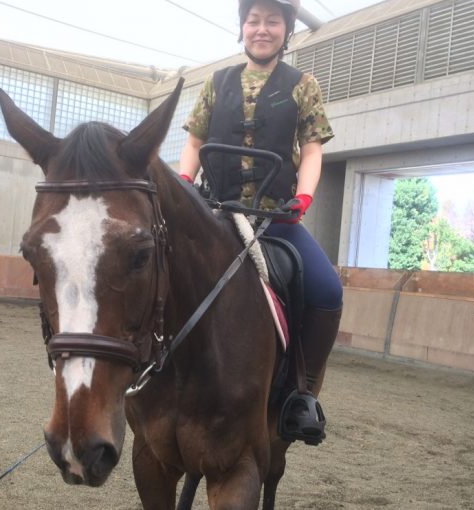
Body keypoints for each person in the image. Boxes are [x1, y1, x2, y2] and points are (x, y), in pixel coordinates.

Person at [178, 0, 343, 445]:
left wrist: (303, 197)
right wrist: (183, 182)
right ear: (242, 27)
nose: (262, 29)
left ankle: (299, 392)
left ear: (286, 29)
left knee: (328, 289)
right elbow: (194, 141)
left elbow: (312, 148)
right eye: (254, 20)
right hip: (217, 212)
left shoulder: (303, 85)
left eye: (273, 21)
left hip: (275, 217)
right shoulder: (215, 83)